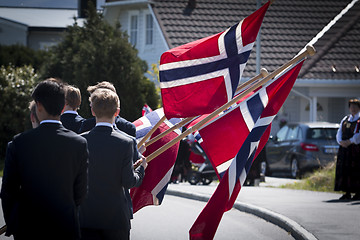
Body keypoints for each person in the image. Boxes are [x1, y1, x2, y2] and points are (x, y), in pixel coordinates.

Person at [0, 78, 89, 239]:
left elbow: (8, 192)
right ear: (63, 107)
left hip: (29, 228)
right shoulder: (79, 143)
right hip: (65, 227)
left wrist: (15, 224)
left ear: (38, 106)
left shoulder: (18, 143)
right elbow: (81, 191)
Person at [80, 88, 147, 240]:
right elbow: (129, 181)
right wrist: (141, 169)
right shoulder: (127, 142)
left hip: (86, 217)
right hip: (116, 218)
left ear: (92, 111)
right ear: (117, 112)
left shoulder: (79, 141)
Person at [335, 98, 360, 200]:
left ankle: (358, 192)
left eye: (355, 106)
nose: (353, 108)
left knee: (356, 170)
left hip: (355, 149)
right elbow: (339, 132)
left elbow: (359, 135)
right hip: (345, 149)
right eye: (351, 106)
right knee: (345, 170)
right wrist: (341, 141)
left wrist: (350, 141)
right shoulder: (345, 119)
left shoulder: (359, 120)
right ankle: (347, 191)